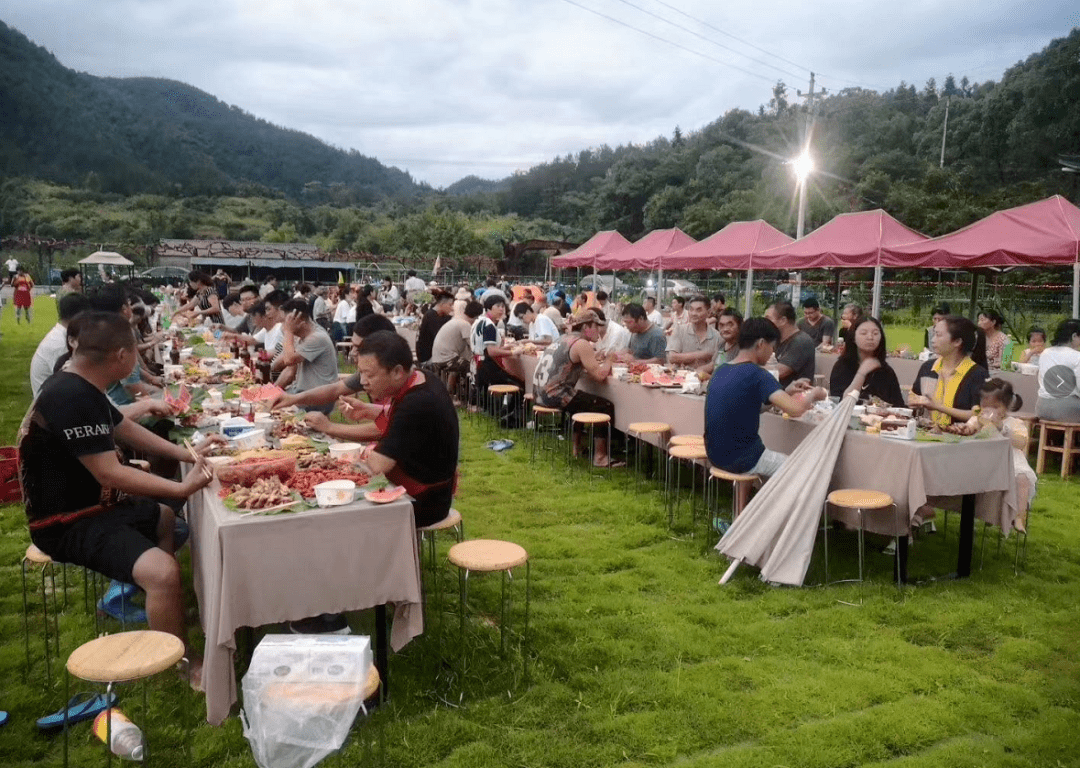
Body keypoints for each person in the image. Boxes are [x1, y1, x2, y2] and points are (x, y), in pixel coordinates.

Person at [18, 311, 218, 686]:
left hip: (95, 507)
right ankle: (181, 663)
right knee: (162, 570)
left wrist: (188, 454)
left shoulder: (81, 384)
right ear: (122, 355)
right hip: (66, 522)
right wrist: (179, 488)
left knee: (162, 518)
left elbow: (126, 429)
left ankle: (165, 613)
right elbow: (108, 472)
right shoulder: (70, 395)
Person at [316, 331, 459, 528]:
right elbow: (401, 429)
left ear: (397, 372)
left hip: (424, 502)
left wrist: (329, 427)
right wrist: (370, 411)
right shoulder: (421, 377)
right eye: (361, 373)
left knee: (337, 517)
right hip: (433, 490)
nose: (363, 382)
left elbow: (378, 465)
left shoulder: (416, 403)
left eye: (370, 375)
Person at [704, 318, 826, 506]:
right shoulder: (757, 374)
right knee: (805, 469)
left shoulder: (722, 370)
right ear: (761, 344)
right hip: (744, 458)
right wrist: (815, 394)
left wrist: (786, 391)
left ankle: (743, 517)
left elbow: (750, 405)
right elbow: (796, 410)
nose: (773, 353)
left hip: (715, 454)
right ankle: (783, 523)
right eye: (772, 347)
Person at [533, 310, 619, 466]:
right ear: (586, 327)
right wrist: (609, 359)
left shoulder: (564, 338)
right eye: (596, 326)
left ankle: (575, 449)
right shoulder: (581, 343)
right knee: (604, 406)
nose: (599, 331)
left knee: (582, 400)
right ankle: (600, 457)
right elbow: (600, 376)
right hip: (554, 395)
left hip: (539, 393)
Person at [910, 316, 989, 427]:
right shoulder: (928, 368)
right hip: (927, 435)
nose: (932, 340)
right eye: (934, 334)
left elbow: (978, 415)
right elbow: (914, 397)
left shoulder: (977, 374)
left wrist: (938, 407)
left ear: (957, 342)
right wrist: (915, 402)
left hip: (961, 439)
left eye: (938, 335)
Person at [270, 299, 339, 409]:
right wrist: (271, 392)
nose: (283, 327)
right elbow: (284, 367)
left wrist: (288, 332)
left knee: (272, 413)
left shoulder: (317, 337)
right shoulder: (301, 337)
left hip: (318, 399)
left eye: (286, 322)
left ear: (300, 319)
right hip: (302, 393)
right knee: (265, 405)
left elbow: (288, 360)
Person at [828, 316, 905, 406]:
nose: (870, 337)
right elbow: (840, 404)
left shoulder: (886, 371)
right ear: (853, 338)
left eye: (875, 333)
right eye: (864, 333)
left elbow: (899, 405)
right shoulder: (842, 366)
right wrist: (861, 373)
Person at [31, 292, 92, 398]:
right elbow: (73, 385)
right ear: (81, 316)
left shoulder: (61, 335)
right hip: (54, 406)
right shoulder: (61, 344)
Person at [471, 295, 524, 394]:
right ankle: (508, 409)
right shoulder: (489, 326)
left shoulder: (480, 320)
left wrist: (506, 348)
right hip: (487, 366)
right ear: (489, 308)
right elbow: (491, 352)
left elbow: (486, 348)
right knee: (520, 384)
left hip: (478, 364)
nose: (501, 309)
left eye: (503, 306)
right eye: (498, 306)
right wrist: (513, 352)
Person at [431, 300, 483, 400]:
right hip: (446, 359)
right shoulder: (465, 324)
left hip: (438, 358)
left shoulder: (457, 320)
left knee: (460, 366)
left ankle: (450, 396)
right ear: (477, 317)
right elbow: (474, 347)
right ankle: (471, 401)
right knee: (473, 369)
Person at [1035, 318, 1080, 423]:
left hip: (1042, 407)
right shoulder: (1077, 357)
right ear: (1074, 336)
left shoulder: (1045, 353)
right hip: (1067, 409)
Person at [764, 301, 815, 387]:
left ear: (783, 320)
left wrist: (750, 368)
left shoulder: (801, 341)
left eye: (768, 319)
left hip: (794, 396)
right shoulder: (777, 339)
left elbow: (779, 372)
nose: (765, 323)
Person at [666, 296, 720, 367]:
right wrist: (704, 354)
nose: (693, 313)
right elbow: (672, 357)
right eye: (691, 309)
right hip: (682, 376)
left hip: (707, 377)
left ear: (709, 312)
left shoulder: (717, 336)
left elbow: (717, 364)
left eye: (699, 310)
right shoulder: (679, 330)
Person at [698, 308, 742, 379]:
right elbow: (713, 365)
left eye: (730, 325)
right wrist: (695, 371)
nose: (725, 329)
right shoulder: (722, 345)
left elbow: (733, 379)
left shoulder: (742, 349)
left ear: (740, 326)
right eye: (721, 325)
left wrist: (708, 377)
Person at [416, 291, 454, 363]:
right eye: (450, 305)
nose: (452, 308)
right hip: (428, 359)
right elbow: (441, 338)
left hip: (432, 355)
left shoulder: (437, 315)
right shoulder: (431, 316)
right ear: (442, 304)